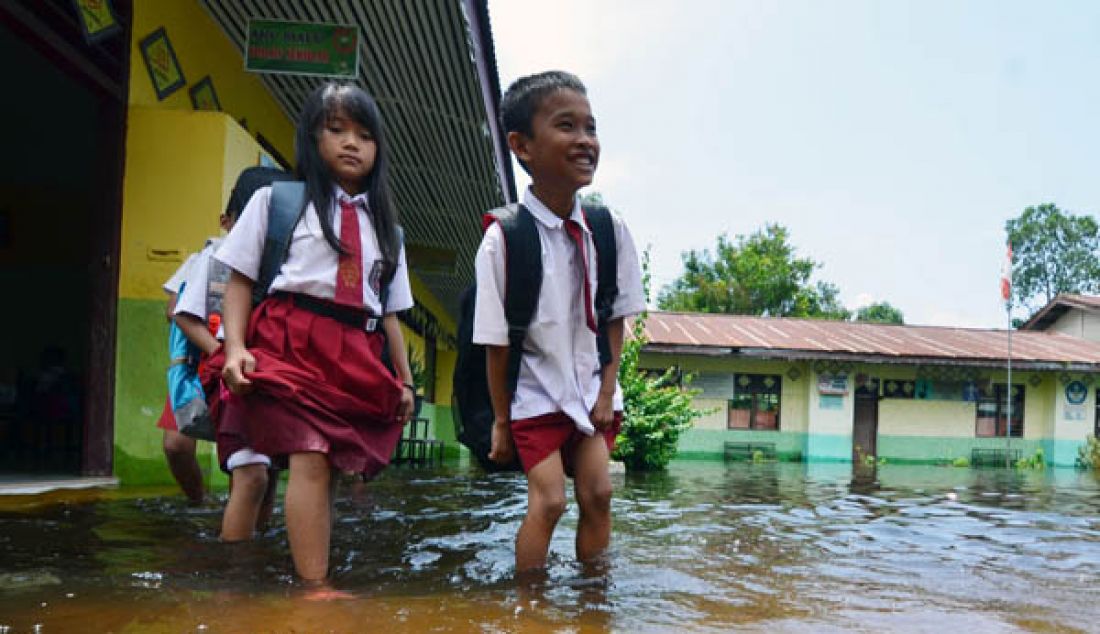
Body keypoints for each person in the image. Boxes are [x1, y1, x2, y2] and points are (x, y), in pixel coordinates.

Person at [213, 82, 417, 586]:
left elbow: (390, 312)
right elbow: (239, 280)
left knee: (323, 466)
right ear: (311, 137)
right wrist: (235, 348)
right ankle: (314, 590)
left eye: (365, 134)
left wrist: (406, 382)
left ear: (379, 149)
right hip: (288, 341)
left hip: (355, 354)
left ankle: (305, 574)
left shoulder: (388, 230)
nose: (352, 143)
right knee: (308, 454)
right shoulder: (275, 201)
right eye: (337, 129)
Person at [474, 70, 645, 572]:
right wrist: (501, 423)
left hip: (591, 389)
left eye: (591, 128)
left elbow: (614, 317)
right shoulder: (503, 238)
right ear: (521, 145)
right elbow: (495, 344)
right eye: (566, 126)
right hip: (532, 394)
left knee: (600, 492)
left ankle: (594, 605)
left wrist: (607, 392)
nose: (585, 141)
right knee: (549, 502)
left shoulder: (609, 230)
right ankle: (531, 610)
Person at [174, 167, 292, 541]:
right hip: (232, 375)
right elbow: (184, 315)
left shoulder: (286, 260)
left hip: (273, 376)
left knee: (268, 472)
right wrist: (223, 354)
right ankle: (235, 574)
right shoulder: (218, 259)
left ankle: (255, 543)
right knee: (252, 472)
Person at [156, 252, 204, 504]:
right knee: (176, 446)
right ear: (225, 222)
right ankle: (198, 501)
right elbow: (172, 311)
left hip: (244, 360)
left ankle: (239, 518)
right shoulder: (201, 260)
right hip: (192, 367)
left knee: (244, 459)